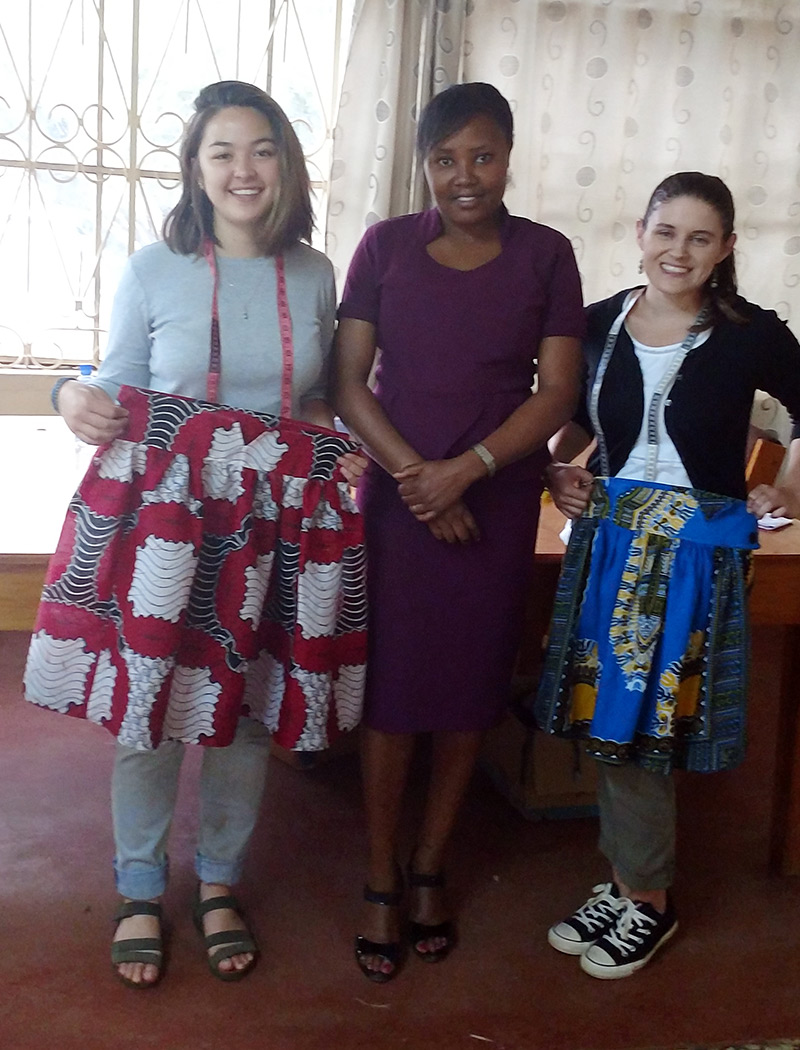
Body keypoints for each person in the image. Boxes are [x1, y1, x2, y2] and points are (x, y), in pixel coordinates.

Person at [24, 80, 366, 989]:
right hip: (175, 520)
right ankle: (139, 888)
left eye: (262, 150)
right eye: (223, 152)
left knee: (247, 713)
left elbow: (314, 397)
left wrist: (340, 447)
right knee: (152, 709)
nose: (243, 169)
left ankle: (219, 882)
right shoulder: (154, 267)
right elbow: (116, 378)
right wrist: (69, 395)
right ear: (196, 168)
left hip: (274, 522)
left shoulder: (314, 272)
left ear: (286, 164)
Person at [333, 82, 585, 982]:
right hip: (400, 505)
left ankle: (432, 863)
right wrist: (419, 479)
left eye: (482, 155)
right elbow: (348, 381)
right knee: (393, 691)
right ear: (424, 164)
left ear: (509, 156)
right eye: (445, 159)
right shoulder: (384, 246)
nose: (464, 176)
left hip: (498, 503)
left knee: (472, 685)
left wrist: (466, 470)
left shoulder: (548, 255)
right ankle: (379, 874)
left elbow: (556, 391)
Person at [535, 171, 800, 980]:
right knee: (608, 717)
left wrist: (789, 488)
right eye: (666, 231)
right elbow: (567, 420)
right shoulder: (597, 324)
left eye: (699, 237)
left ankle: (648, 898)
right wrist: (557, 469)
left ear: (725, 249)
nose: (678, 251)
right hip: (609, 545)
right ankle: (627, 881)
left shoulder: (750, 333)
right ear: (640, 233)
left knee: (643, 728)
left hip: (696, 557)